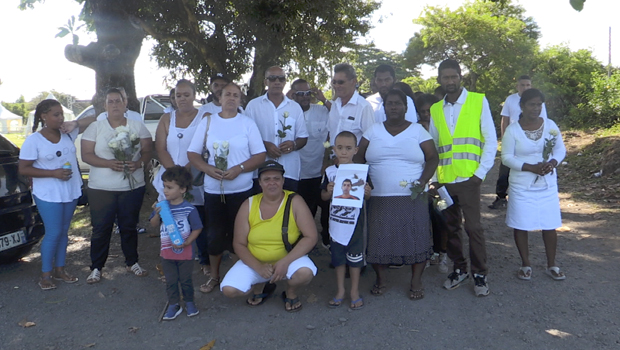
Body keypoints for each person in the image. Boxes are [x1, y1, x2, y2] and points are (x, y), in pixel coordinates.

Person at [356, 89, 439, 300]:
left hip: (412, 196)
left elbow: (432, 158)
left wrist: (422, 182)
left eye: (397, 103)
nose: (393, 107)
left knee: (416, 237)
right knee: (378, 238)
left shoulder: (418, 131)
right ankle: (381, 279)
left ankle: (416, 280)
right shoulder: (372, 131)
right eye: (389, 103)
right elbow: (358, 159)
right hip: (378, 197)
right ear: (384, 108)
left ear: (405, 107)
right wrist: (366, 182)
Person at [187, 83, 266, 293]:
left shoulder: (247, 123)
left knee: (242, 235)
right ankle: (214, 276)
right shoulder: (208, 122)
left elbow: (260, 155)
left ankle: (241, 276)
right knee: (214, 235)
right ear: (219, 98)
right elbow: (193, 153)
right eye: (228, 94)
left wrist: (240, 168)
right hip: (214, 190)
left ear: (240, 100)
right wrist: (207, 169)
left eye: (236, 95)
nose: (232, 98)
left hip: (242, 191)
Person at [428, 59, 497, 297]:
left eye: (453, 76)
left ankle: (480, 274)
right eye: (445, 77)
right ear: (439, 80)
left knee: (474, 228)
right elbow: (433, 147)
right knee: (450, 227)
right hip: (444, 182)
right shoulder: (436, 109)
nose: (450, 81)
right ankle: (459, 269)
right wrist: (434, 180)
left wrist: (479, 174)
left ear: (460, 77)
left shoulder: (478, 101)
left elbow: (490, 140)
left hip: (469, 180)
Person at [221, 161, 318, 312]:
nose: (272, 183)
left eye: (276, 178)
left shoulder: (295, 201)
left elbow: (311, 237)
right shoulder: (249, 204)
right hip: (256, 261)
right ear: (260, 182)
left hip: (288, 259)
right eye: (267, 179)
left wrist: (285, 262)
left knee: (305, 273)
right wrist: (258, 267)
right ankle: (260, 284)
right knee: (229, 290)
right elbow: (239, 244)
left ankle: (290, 292)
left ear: (283, 181)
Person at [18, 99, 95, 290]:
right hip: (48, 194)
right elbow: (23, 169)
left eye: (62, 114)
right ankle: (46, 274)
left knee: (64, 232)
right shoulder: (34, 140)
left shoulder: (67, 133)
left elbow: (95, 118)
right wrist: (53, 173)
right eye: (56, 115)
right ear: (44, 116)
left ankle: (60, 270)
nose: (61, 118)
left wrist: (75, 123)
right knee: (53, 232)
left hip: (70, 191)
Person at [81, 88, 153, 284]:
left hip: (132, 187)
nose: (114, 105)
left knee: (129, 226)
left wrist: (138, 163)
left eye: (118, 101)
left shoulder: (137, 127)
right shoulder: (96, 127)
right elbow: (86, 155)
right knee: (101, 228)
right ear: (104, 106)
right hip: (101, 188)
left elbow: (148, 150)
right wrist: (108, 163)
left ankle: (132, 262)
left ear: (125, 103)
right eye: (110, 102)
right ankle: (96, 267)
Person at [501, 88, 566, 281]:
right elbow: (506, 158)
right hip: (521, 185)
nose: (536, 108)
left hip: (547, 184)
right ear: (522, 106)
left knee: (550, 224)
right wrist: (530, 167)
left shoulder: (551, 126)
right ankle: (526, 264)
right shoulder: (513, 130)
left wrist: (552, 163)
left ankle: (552, 264)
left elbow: (560, 150)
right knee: (521, 224)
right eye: (532, 104)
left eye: (539, 104)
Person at [154, 79, 210, 276]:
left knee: (196, 220)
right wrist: (175, 176)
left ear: (194, 95)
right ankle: (170, 259)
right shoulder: (166, 118)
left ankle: (203, 260)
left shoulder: (206, 117)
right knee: (169, 220)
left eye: (186, 95)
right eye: (178, 95)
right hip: (170, 179)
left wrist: (186, 173)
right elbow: (160, 148)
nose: (182, 99)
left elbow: (205, 148)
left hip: (195, 177)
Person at [321, 131, 371, 309]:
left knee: (355, 260)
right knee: (339, 259)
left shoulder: (361, 171)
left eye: (348, 148)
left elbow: (368, 195)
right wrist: (328, 190)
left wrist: (367, 192)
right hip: (335, 224)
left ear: (355, 150)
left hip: (355, 224)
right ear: (334, 149)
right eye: (340, 148)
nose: (343, 152)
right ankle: (341, 290)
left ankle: (354, 291)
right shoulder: (329, 172)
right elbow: (323, 197)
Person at [150, 166, 203, 320]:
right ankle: (174, 304)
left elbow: (197, 228)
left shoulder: (189, 209)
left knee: (186, 279)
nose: (165, 190)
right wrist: (156, 214)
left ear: (182, 189)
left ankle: (189, 302)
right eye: (164, 186)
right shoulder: (162, 207)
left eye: (170, 187)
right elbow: (153, 224)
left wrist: (188, 242)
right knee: (171, 280)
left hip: (185, 253)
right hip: (167, 252)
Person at [489, 75, 549, 209]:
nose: (525, 87)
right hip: (513, 139)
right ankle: (500, 197)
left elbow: (544, 121)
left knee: (531, 166)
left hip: (532, 140)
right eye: (522, 85)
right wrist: (504, 138)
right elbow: (505, 119)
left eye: (528, 85)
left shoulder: (538, 101)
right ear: (517, 86)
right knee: (506, 168)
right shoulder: (511, 100)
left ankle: (531, 196)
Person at [245, 66, 308, 192]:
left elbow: (303, 137)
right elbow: (244, 136)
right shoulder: (253, 106)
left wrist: (294, 145)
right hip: (261, 171)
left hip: (289, 170)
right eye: (272, 78)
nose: (277, 82)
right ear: (265, 82)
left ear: (285, 82)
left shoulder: (295, 107)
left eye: (281, 78)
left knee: (288, 208)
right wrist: (264, 145)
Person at [289, 78, 331, 248]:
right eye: (300, 94)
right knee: (304, 210)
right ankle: (301, 243)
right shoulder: (288, 111)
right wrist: (286, 98)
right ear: (293, 95)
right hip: (298, 172)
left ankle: (327, 240)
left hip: (320, 169)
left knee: (327, 208)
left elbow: (339, 115)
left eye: (308, 93)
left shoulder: (321, 110)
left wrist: (323, 98)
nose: (305, 97)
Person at [415, 93, 449, 273]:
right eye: (423, 111)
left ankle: (442, 253)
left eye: (430, 110)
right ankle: (427, 253)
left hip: (441, 179)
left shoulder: (444, 127)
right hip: (421, 180)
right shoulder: (415, 129)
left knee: (441, 218)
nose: (427, 114)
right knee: (424, 219)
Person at [327, 63, 374, 146]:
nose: (337, 86)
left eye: (341, 82)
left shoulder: (363, 107)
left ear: (353, 82)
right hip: (332, 158)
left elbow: (370, 139)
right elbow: (330, 133)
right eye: (334, 82)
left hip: (354, 158)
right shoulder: (334, 105)